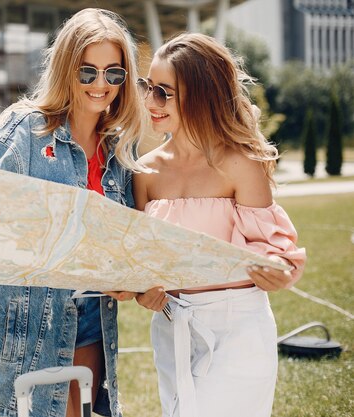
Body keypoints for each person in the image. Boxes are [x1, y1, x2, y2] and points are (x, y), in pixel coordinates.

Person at [0, 8, 145, 417]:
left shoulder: (119, 151)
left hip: (89, 326)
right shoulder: (26, 131)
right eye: (87, 72)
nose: (101, 84)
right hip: (23, 335)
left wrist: (127, 280)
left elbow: (120, 248)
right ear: (65, 69)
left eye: (114, 74)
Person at [130, 33, 306, 417]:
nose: (150, 102)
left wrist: (277, 273)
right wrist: (143, 292)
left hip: (238, 331)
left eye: (165, 92)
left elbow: (274, 253)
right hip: (172, 329)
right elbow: (141, 261)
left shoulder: (241, 164)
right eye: (148, 88)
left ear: (202, 95)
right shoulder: (144, 172)